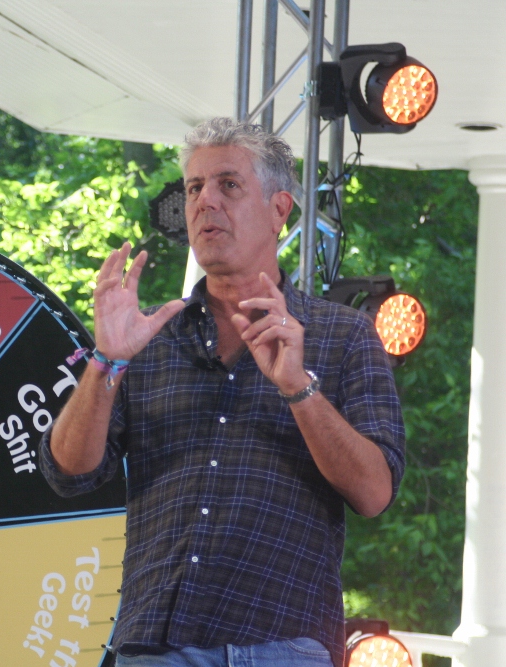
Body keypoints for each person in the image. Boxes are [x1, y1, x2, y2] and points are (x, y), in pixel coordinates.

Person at [39, 117, 404, 667]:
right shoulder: (146, 337)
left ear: (280, 210)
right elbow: (68, 473)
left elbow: (374, 493)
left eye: (228, 185)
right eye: (194, 188)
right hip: (156, 648)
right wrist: (106, 360)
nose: (205, 201)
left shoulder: (343, 334)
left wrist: (298, 389)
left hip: (284, 647)